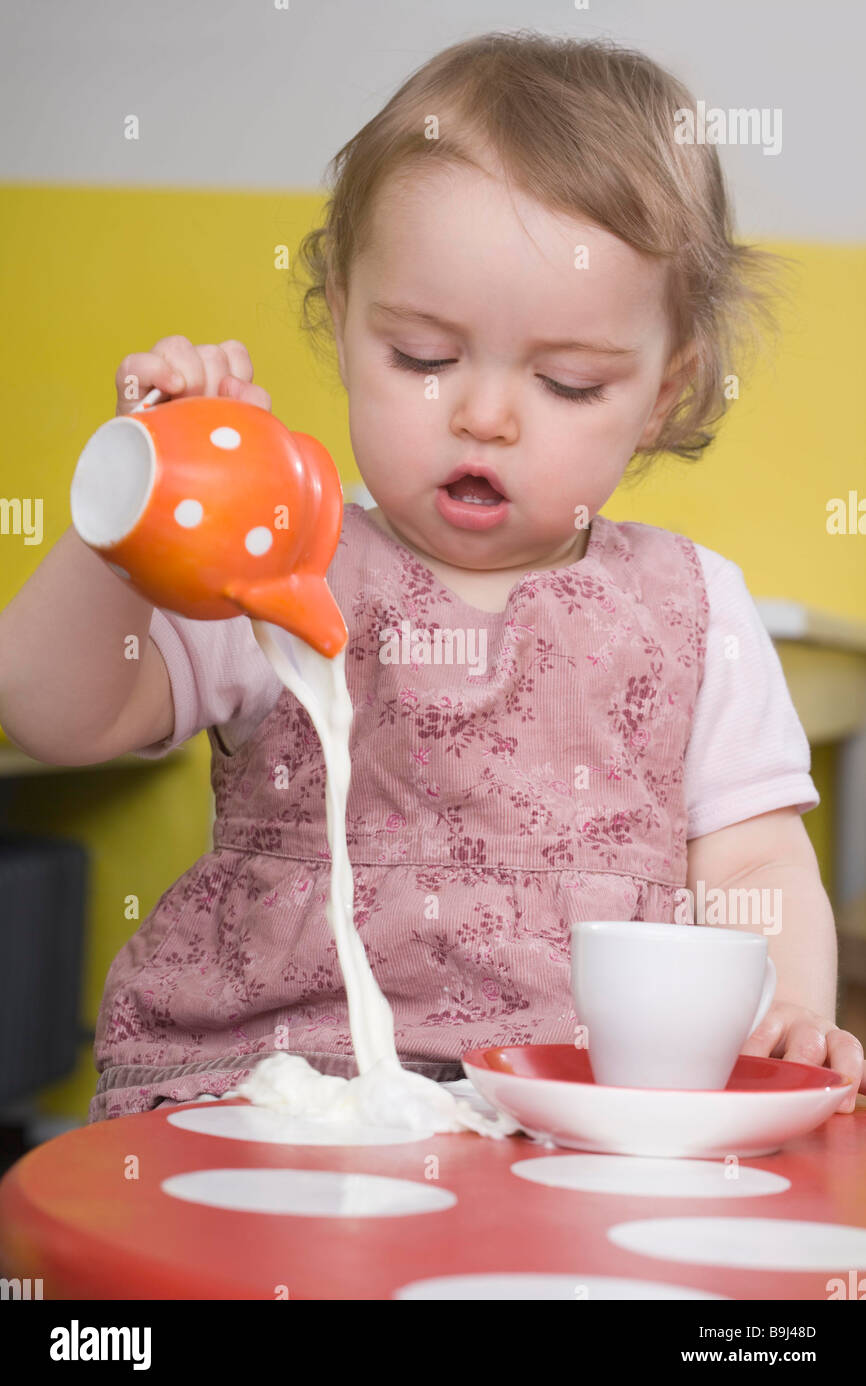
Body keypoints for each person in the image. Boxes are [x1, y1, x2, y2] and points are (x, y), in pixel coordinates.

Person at [1, 33, 862, 1121]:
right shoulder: (276, 556)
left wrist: (782, 1012)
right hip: (269, 1092)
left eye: (564, 381)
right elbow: (48, 714)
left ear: (658, 391)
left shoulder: (692, 609)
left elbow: (752, 869)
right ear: (343, 314)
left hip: (576, 1112)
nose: (483, 415)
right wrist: (128, 518)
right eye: (420, 358)